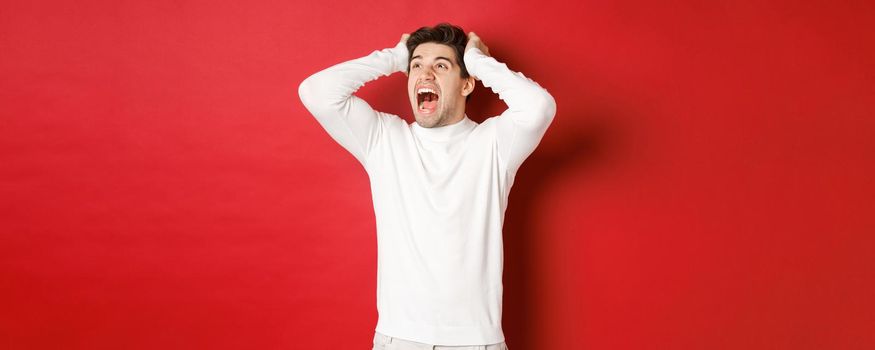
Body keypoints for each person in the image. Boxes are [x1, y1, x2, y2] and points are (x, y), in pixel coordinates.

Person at [298, 22, 556, 350]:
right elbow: (316, 92)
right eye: (417, 65)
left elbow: (539, 108)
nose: (425, 74)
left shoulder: (494, 143)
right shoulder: (383, 138)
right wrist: (393, 57)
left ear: (466, 85)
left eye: (441, 66)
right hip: (399, 340)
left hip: (476, 343)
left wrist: (476, 60)